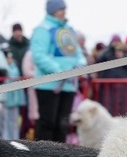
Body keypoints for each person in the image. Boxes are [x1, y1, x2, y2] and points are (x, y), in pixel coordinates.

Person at [30, 0, 87, 142]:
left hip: (68, 85)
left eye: (64, 8)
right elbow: (39, 55)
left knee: (63, 124)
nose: (64, 11)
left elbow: (78, 53)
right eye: (60, 9)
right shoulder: (42, 29)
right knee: (48, 123)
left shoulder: (69, 29)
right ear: (52, 10)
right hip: (48, 85)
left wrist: (80, 66)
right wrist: (60, 71)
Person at [0, 50, 26, 140]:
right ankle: (6, 139)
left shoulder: (14, 66)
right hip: (6, 97)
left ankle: (15, 138)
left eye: (11, 57)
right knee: (5, 121)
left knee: (14, 121)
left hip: (15, 97)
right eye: (8, 57)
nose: (10, 59)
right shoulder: (3, 68)